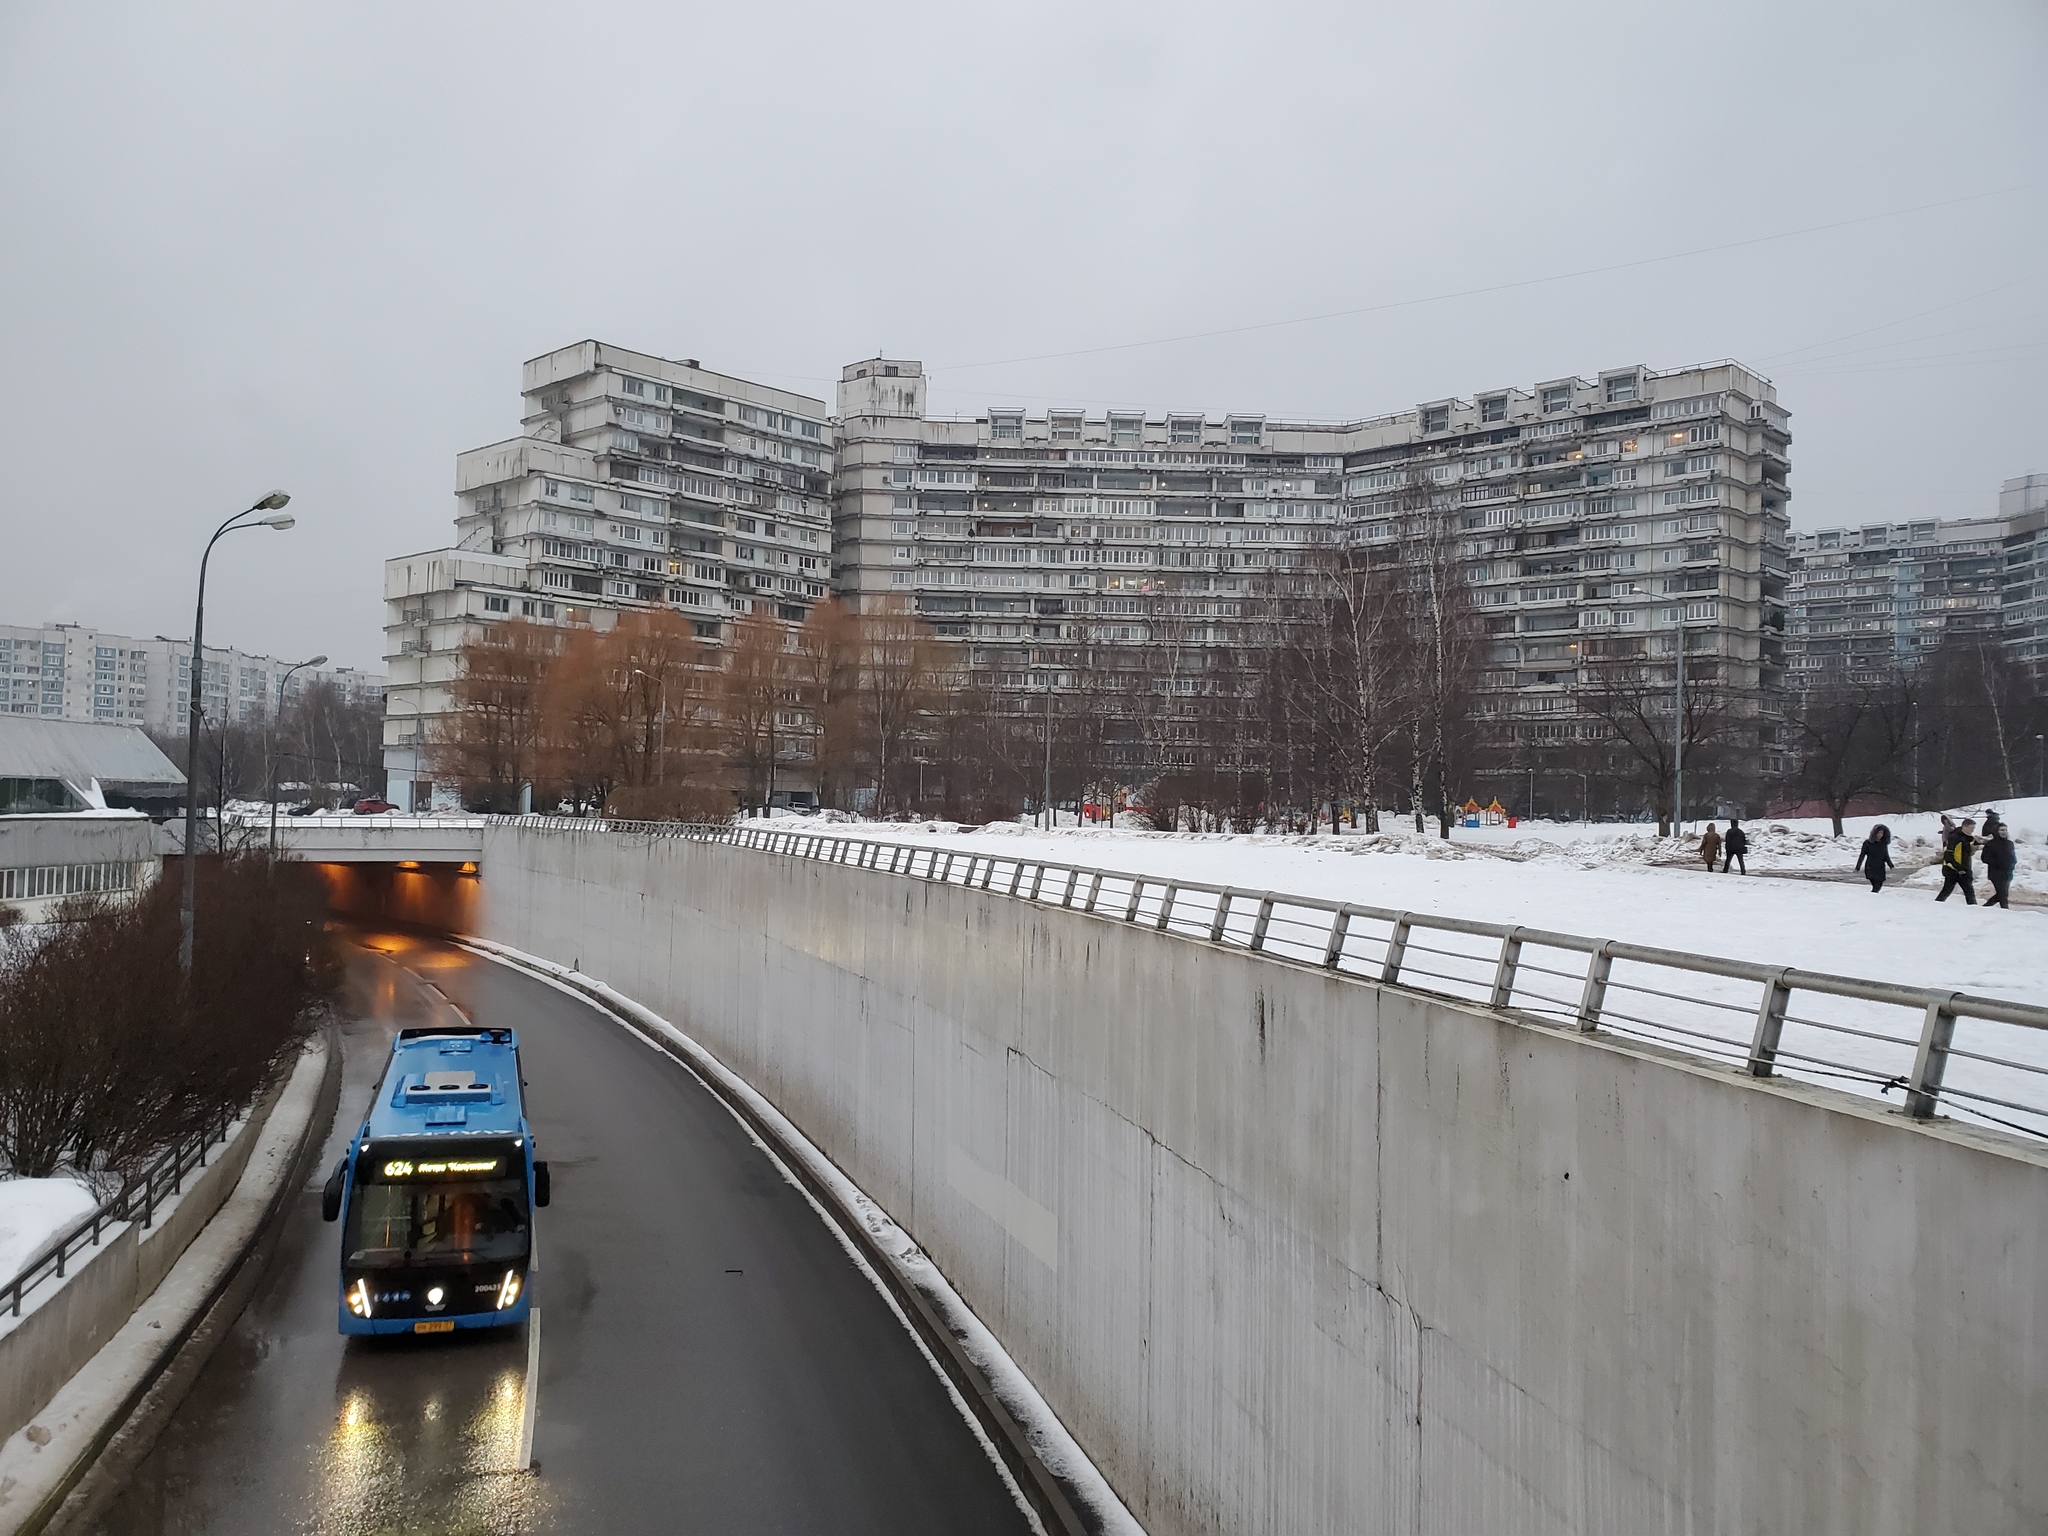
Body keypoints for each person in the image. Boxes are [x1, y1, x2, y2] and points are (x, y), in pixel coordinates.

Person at [1936, 818, 1977, 905]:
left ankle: (1973, 907)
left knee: (1968, 891)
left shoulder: (1968, 839)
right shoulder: (1955, 838)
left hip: (1964, 869)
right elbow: (1949, 855)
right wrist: (1959, 868)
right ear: (1965, 826)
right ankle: (1936, 904)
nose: (1972, 831)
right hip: (1953, 869)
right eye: (1971, 828)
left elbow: (1966, 854)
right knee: (1948, 890)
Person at [1982, 823, 2016, 910]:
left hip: (2007, 872)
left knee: (2002, 894)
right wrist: (1998, 862)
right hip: (1996, 873)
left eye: (2005, 830)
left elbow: (2012, 856)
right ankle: (2005, 911)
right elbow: (1984, 858)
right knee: (2003, 895)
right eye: (2001, 830)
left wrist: (2013, 863)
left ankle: (1985, 907)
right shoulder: (1990, 844)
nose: (2004, 832)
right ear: (1996, 831)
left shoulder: (2009, 844)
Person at [1855, 823, 1892, 893]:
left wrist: (1891, 865)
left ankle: (1873, 897)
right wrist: (1857, 867)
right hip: (1871, 867)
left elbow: (1886, 856)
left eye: (1882, 833)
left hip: (1880, 867)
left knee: (1879, 884)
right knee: (1876, 885)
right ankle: (1872, 898)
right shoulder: (1868, 843)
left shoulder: (1883, 844)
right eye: (1879, 833)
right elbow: (1862, 855)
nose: (1880, 835)